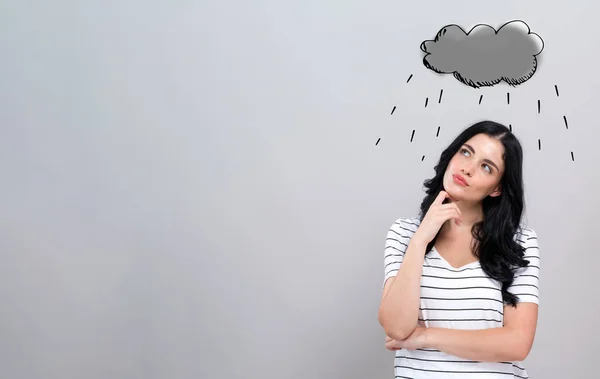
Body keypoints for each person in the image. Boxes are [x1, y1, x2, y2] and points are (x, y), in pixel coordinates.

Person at [378, 120, 540, 378]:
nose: (467, 168)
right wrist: (420, 240)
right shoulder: (404, 233)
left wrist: (424, 336)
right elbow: (396, 328)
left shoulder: (518, 244)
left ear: (497, 187)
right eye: (466, 152)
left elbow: (517, 343)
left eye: (486, 167)